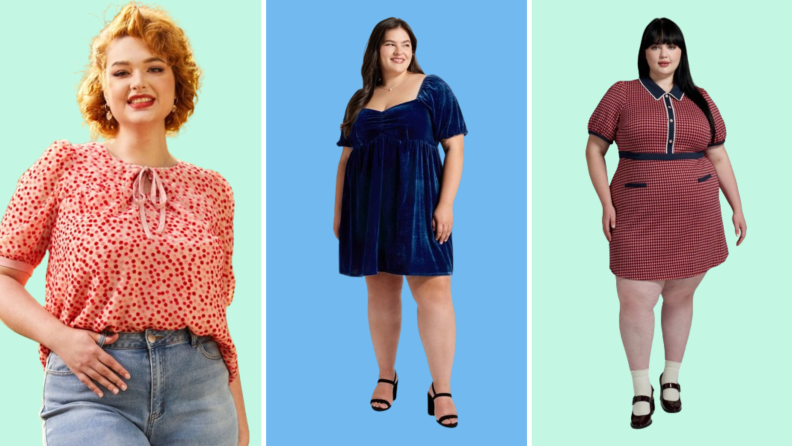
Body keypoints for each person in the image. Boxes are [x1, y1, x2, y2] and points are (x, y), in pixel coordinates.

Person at [0, 3, 249, 444]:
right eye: (121, 72)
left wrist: (240, 420)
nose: (139, 82)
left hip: (202, 395)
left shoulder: (213, 190)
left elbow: (215, 318)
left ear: (177, 86)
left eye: (155, 68)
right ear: (104, 89)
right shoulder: (64, 166)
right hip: (92, 388)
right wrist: (61, 338)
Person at [585, 18, 746, 429]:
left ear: (681, 52)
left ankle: (671, 376)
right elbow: (594, 149)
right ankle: (641, 387)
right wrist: (605, 203)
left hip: (696, 215)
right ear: (644, 52)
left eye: (671, 46)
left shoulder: (702, 98)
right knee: (635, 299)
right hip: (637, 213)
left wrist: (737, 207)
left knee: (680, 297)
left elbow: (719, 157)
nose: (663, 53)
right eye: (655, 46)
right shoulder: (621, 93)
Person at [333, 17, 468, 428]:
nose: (398, 51)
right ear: (376, 50)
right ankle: (386, 375)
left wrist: (446, 205)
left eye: (405, 44)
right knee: (382, 293)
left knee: (435, 293)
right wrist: (339, 213)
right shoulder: (360, 98)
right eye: (390, 44)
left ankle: (440, 388)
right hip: (368, 209)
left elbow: (455, 147)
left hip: (420, 204)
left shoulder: (433, 88)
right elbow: (345, 159)